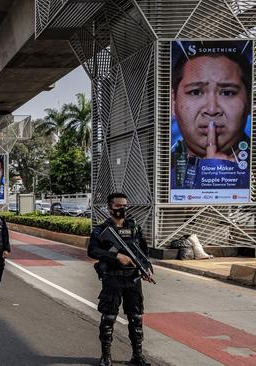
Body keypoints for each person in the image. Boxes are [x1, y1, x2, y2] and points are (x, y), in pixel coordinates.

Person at [171, 41, 251, 191]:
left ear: (249, 103)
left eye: (228, 92)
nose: (212, 109)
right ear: (173, 102)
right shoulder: (156, 168)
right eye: (195, 92)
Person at [87, 193, 154, 366]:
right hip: (113, 278)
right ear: (110, 209)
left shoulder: (135, 228)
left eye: (125, 205)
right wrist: (116, 256)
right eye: (118, 206)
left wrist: (147, 268)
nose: (122, 209)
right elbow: (92, 251)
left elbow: (143, 251)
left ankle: (137, 356)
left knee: (136, 317)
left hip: (133, 279)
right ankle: (106, 357)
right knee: (109, 317)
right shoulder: (101, 230)